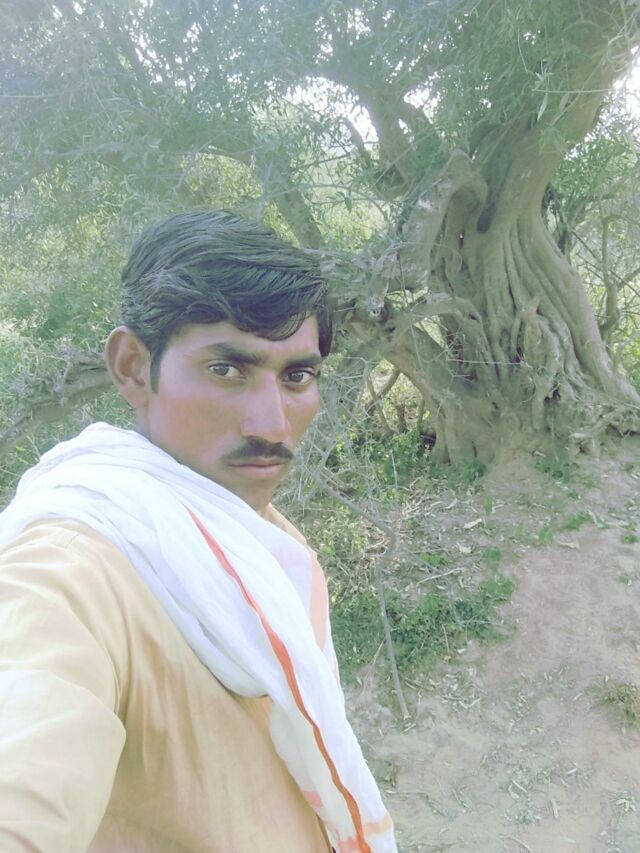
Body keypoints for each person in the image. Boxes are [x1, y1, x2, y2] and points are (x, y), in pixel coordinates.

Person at [0, 211, 396, 853]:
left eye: (297, 377)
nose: (272, 425)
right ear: (134, 367)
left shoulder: (259, 538)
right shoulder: (66, 575)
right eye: (227, 370)